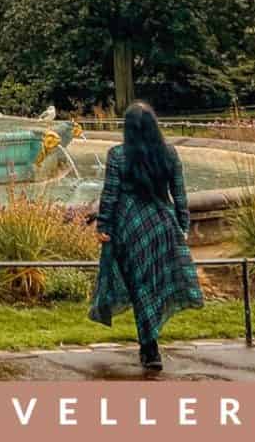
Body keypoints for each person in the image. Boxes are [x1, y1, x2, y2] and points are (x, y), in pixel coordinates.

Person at [89, 101, 203, 371]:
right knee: (154, 286)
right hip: (162, 226)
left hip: (131, 227)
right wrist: (182, 226)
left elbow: (111, 195)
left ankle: (150, 349)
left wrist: (103, 226)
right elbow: (180, 195)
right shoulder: (169, 154)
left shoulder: (117, 155)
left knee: (140, 288)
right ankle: (149, 345)